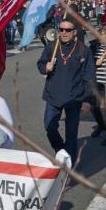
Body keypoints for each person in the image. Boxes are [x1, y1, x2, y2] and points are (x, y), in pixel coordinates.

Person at [36, 19, 94, 165]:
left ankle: (70, 166)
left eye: (68, 30)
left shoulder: (84, 50)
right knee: (49, 126)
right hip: (53, 95)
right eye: (61, 29)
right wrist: (45, 67)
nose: (64, 33)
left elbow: (89, 76)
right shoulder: (52, 46)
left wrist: (87, 100)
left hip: (75, 97)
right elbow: (41, 64)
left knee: (71, 133)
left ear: (74, 32)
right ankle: (60, 149)